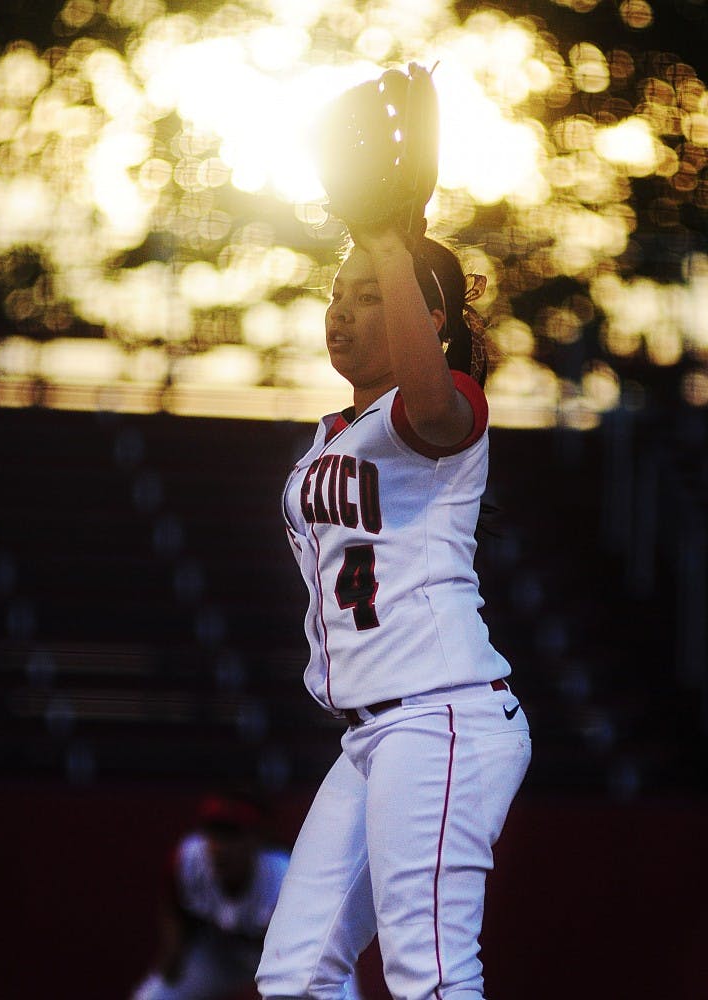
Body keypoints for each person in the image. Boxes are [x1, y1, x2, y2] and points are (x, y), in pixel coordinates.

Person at [255, 223, 532, 1000]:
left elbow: (432, 399)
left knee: (430, 972)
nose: (341, 312)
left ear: (429, 318)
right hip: (374, 734)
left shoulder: (446, 413)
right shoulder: (331, 436)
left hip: (442, 718)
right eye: (337, 295)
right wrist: (379, 249)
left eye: (371, 297)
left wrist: (388, 242)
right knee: (297, 973)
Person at [131, 795, 290, 1000]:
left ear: (256, 838)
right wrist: (174, 947)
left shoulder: (282, 877)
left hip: (272, 965)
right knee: (153, 996)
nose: (220, 846)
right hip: (218, 954)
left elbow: (295, 956)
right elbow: (171, 904)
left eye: (232, 834)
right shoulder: (189, 858)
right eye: (215, 833)